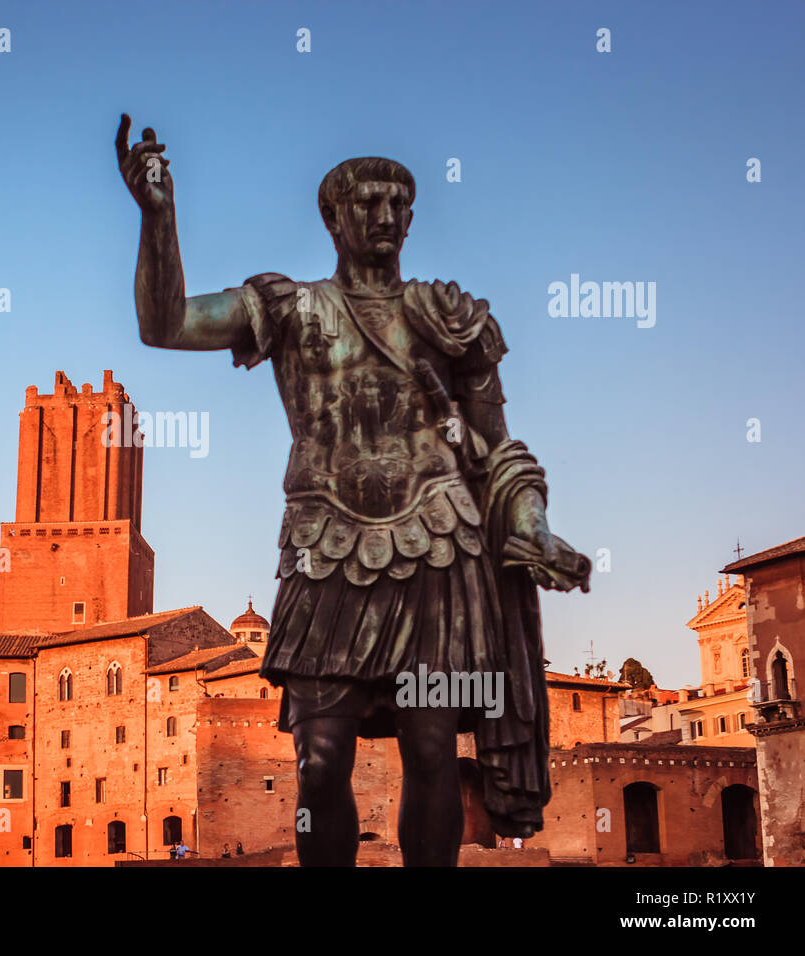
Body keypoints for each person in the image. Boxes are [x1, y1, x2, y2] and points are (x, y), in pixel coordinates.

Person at [116, 115, 591, 867]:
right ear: (332, 217)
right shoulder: (289, 307)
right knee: (319, 760)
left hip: (439, 545)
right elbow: (165, 324)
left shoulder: (449, 320)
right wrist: (159, 218)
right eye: (368, 203)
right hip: (323, 551)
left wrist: (532, 523)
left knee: (432, 748)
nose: (386, 218)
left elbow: (498, 446)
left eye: (400, 204)